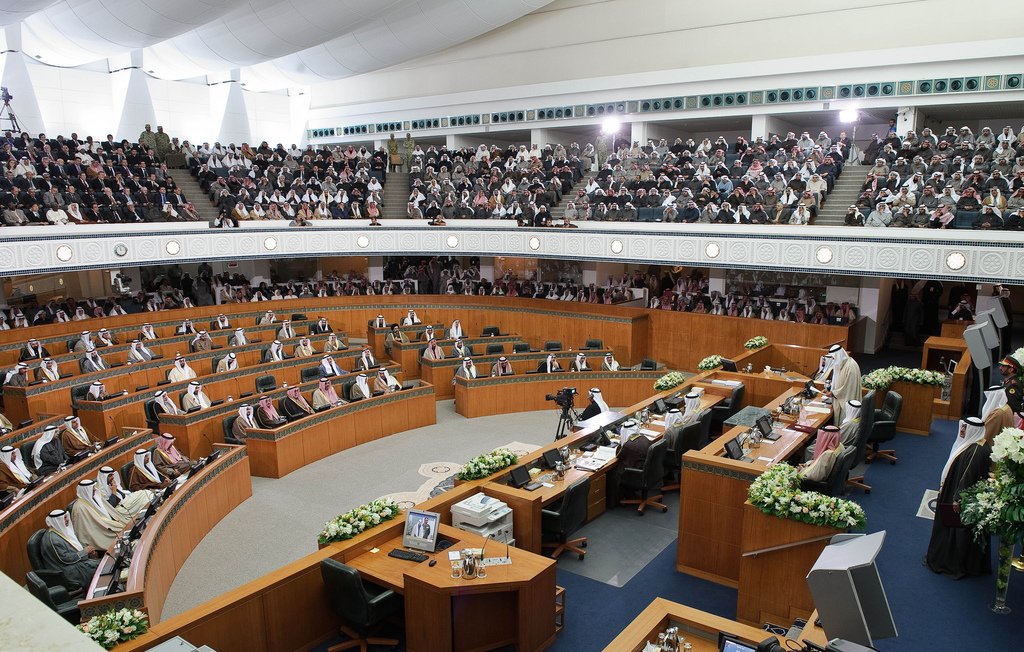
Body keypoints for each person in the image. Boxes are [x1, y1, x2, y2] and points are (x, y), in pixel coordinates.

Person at [926, 417, 992, 578]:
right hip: (955, 490)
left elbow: (967, 476)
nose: (961, 431)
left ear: (972, 430)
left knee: (955, 529)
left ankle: (950, 563)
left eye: (964, 428)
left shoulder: (975, 451)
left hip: (958, 497)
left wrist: (958, 498)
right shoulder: (974, 445)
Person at [40, 509, 99, 591]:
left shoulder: (62, 531)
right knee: (96, 570)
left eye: (66, 517)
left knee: (101, 565)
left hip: (75, 563)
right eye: (64, 518)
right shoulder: (53, 540)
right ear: (57, 521)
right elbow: (65, 559)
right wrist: (85, 552)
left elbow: (76, 547)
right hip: (66, 570)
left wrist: (89, 551)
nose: (67, 520)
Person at [71, 479, 124, 549]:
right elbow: (83, 530)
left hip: (105, 525)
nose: (95, 490)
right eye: (93, 489)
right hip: (97, 531)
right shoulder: (79, 507)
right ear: (87, 491)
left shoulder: (95, 497)